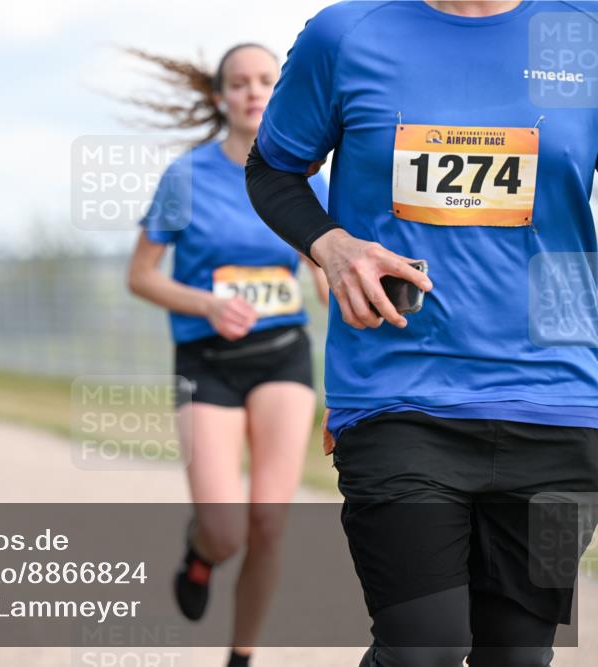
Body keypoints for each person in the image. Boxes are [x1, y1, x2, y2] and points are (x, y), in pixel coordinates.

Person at [245, 2, 598, 665]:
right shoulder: (347, 34)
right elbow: (271, 168)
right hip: (399, 396)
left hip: (560, 406)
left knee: (518, 658)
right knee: (423, 648)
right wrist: (331, 245)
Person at [125, 44, 330, 667]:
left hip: (283, 356)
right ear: (220, 97)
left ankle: (241, 656)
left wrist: (338, 282)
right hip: (207, 361)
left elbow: (324, 268)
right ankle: (200, 553)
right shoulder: (185, 177)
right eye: (239, 83)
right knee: (225, 530)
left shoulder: (305, 178)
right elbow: (141, 276)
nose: (253, 91)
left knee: (269, 523)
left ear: (280, 91)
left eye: (266, 80)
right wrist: (207, 305)